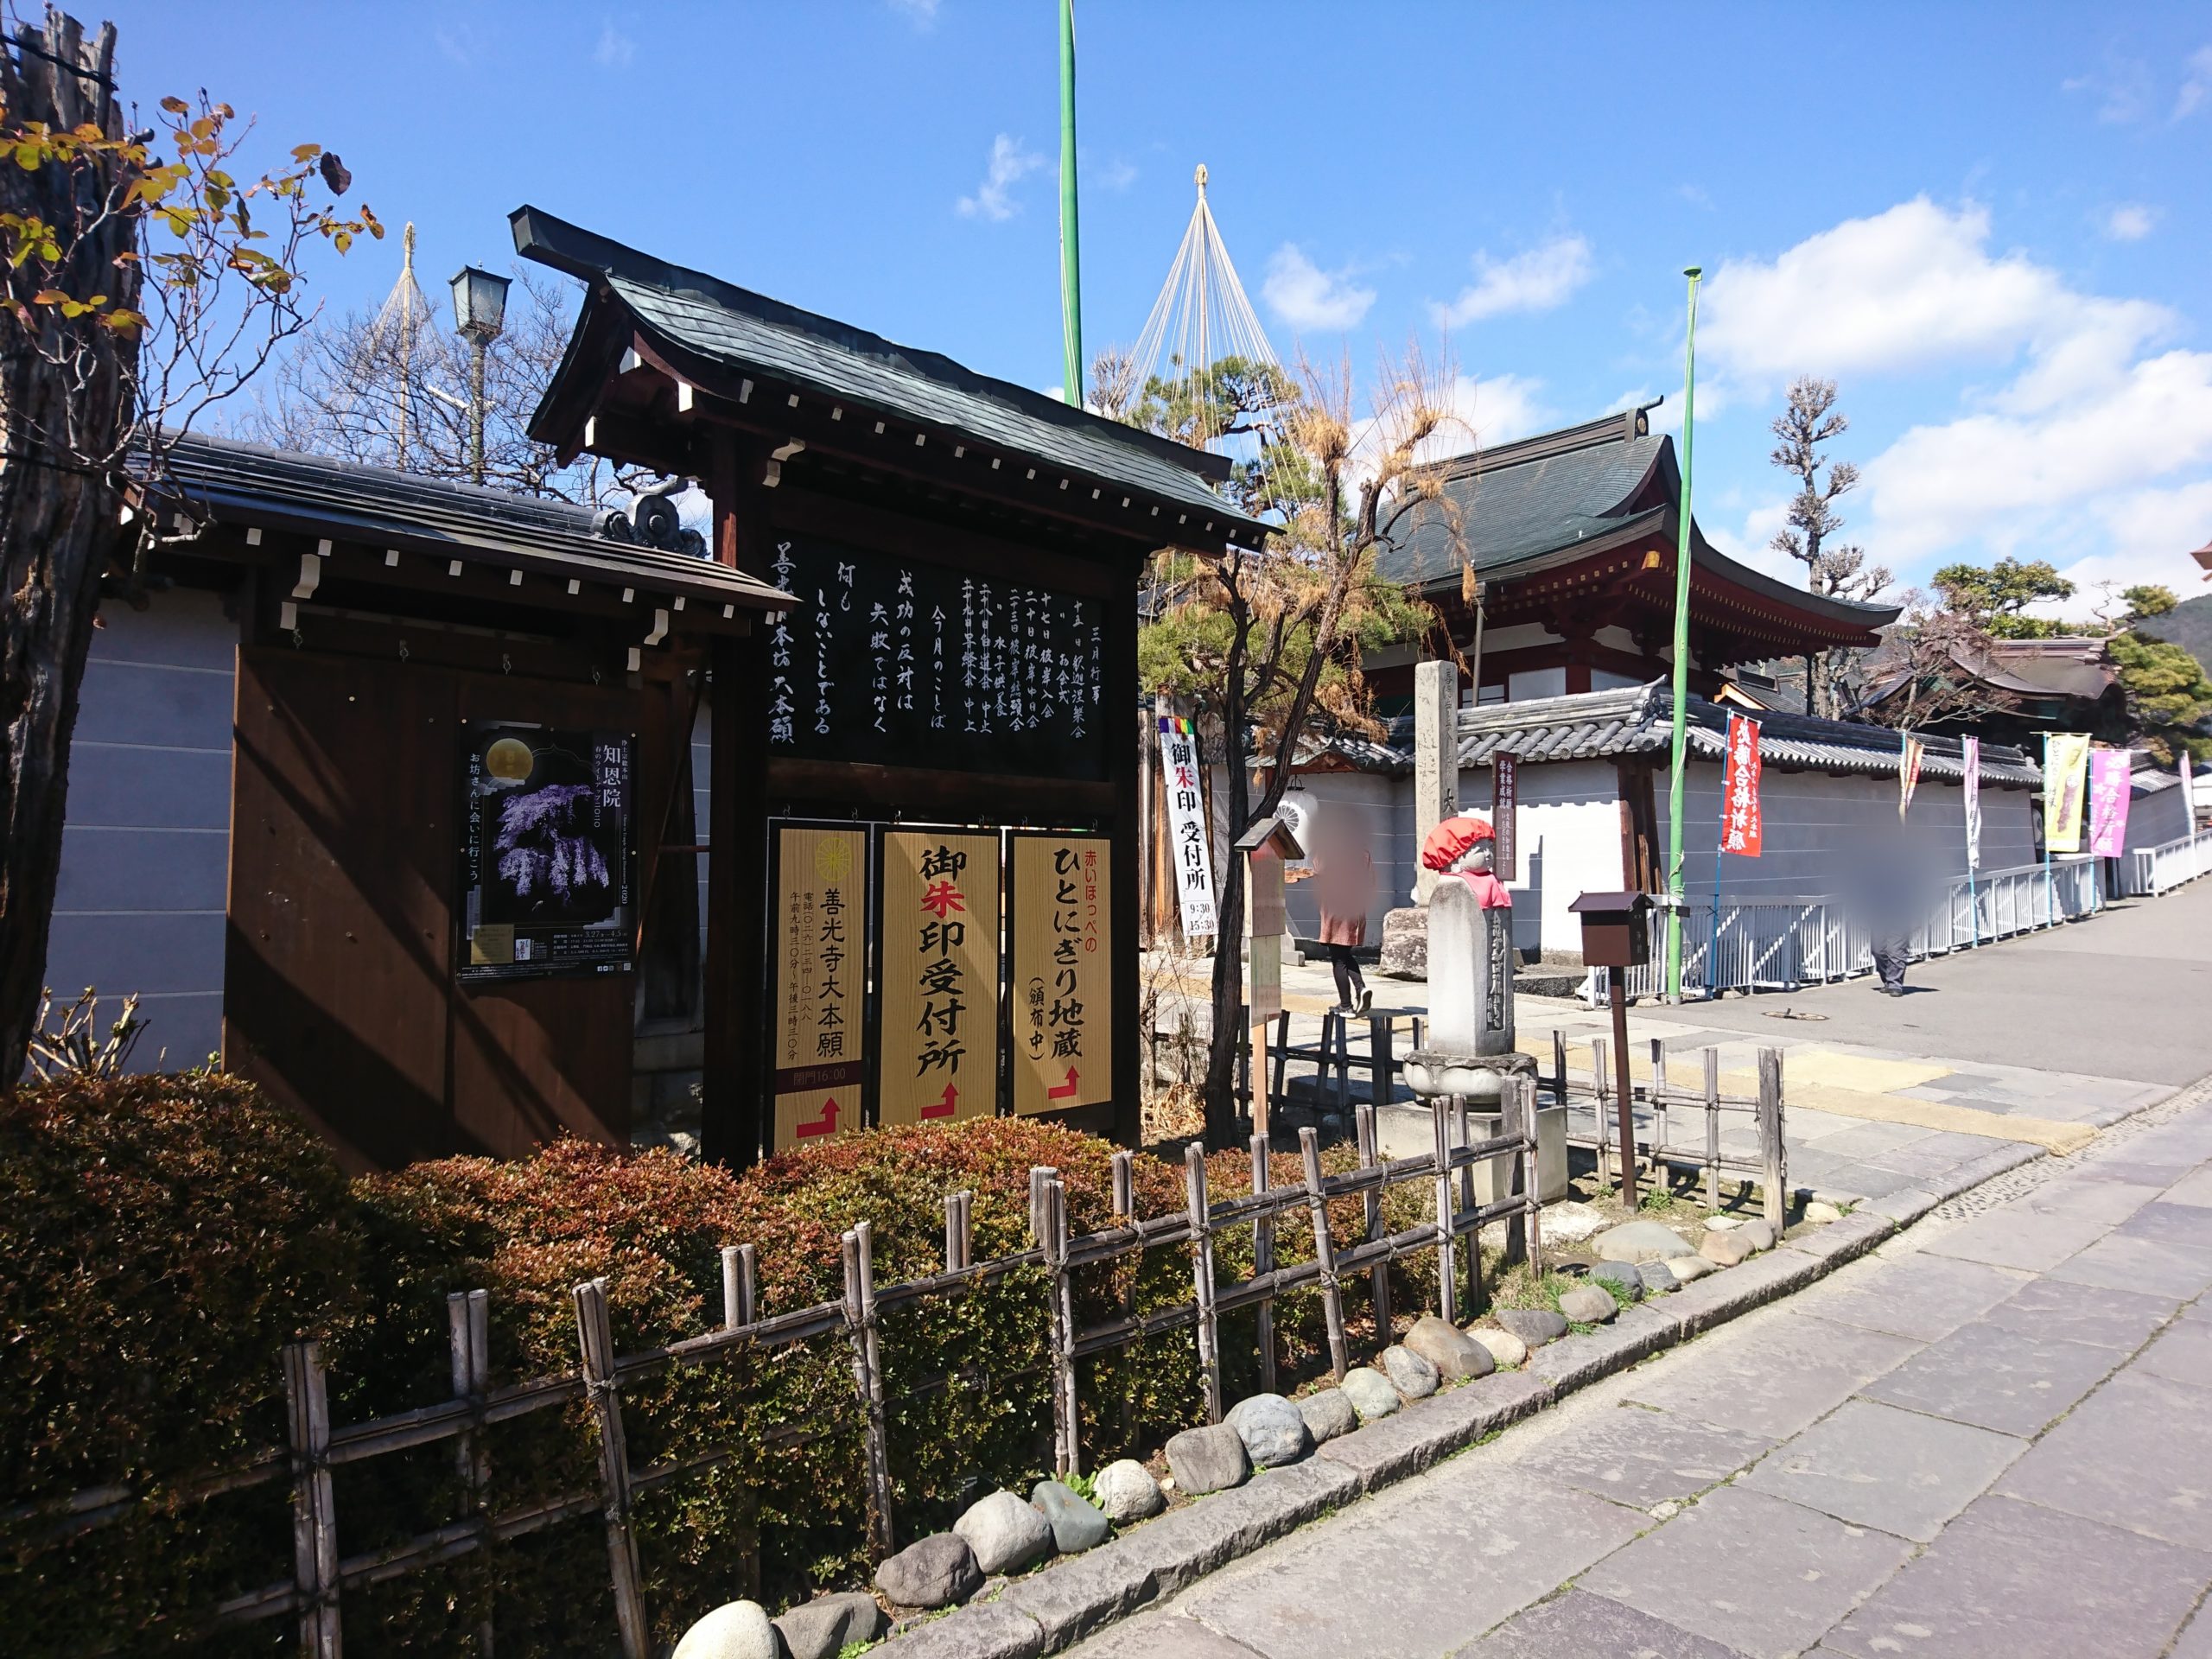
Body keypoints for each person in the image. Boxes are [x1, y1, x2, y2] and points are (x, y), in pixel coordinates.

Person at [1313, 806, 1376, 1014]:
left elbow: (1318, 868)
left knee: (1338, 958)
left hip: (1336, 908)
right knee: (1345, 954)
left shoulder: (1331, 847)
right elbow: (1370, 879)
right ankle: (1361, 988)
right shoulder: (1363, 850)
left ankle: (1346, 1005)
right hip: (1355, 908)